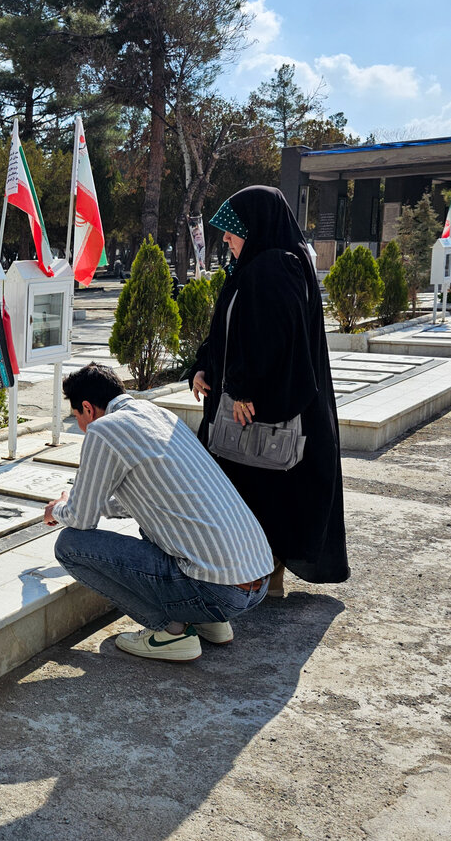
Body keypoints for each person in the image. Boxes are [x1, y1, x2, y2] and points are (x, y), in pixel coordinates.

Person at [45, 364, 274, 663]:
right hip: (256, 579)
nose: (80, 426)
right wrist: (86, 502)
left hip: (218, 592)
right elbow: (143, 500)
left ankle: (172, 632)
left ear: (87, 408)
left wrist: (59, 508)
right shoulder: (159, 414)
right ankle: (211, 623)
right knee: (152, 525)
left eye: (77, 417)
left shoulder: (103, 430)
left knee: (69, 546)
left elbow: (80, 520)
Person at [188, 185, 349, 595]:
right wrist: (205, 366)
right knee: (255, 491)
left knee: (262, 492)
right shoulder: (264, 264)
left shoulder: (275, 266)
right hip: (250, 404)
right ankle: (259, 573)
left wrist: (243, 389)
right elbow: (230, 328)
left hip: (260, 409)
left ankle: (262, 575)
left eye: (232, 229)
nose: (226, 238)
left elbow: (276, 339)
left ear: (256, 226)